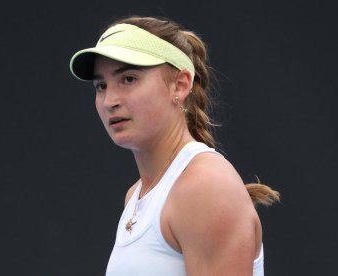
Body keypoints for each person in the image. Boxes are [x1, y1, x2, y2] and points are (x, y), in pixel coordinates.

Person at [69, 15, 280, 276]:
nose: (110, 100)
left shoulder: (205, 186)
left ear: (180, 86)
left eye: (129, 79)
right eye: (101, 85)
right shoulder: (137, 196)